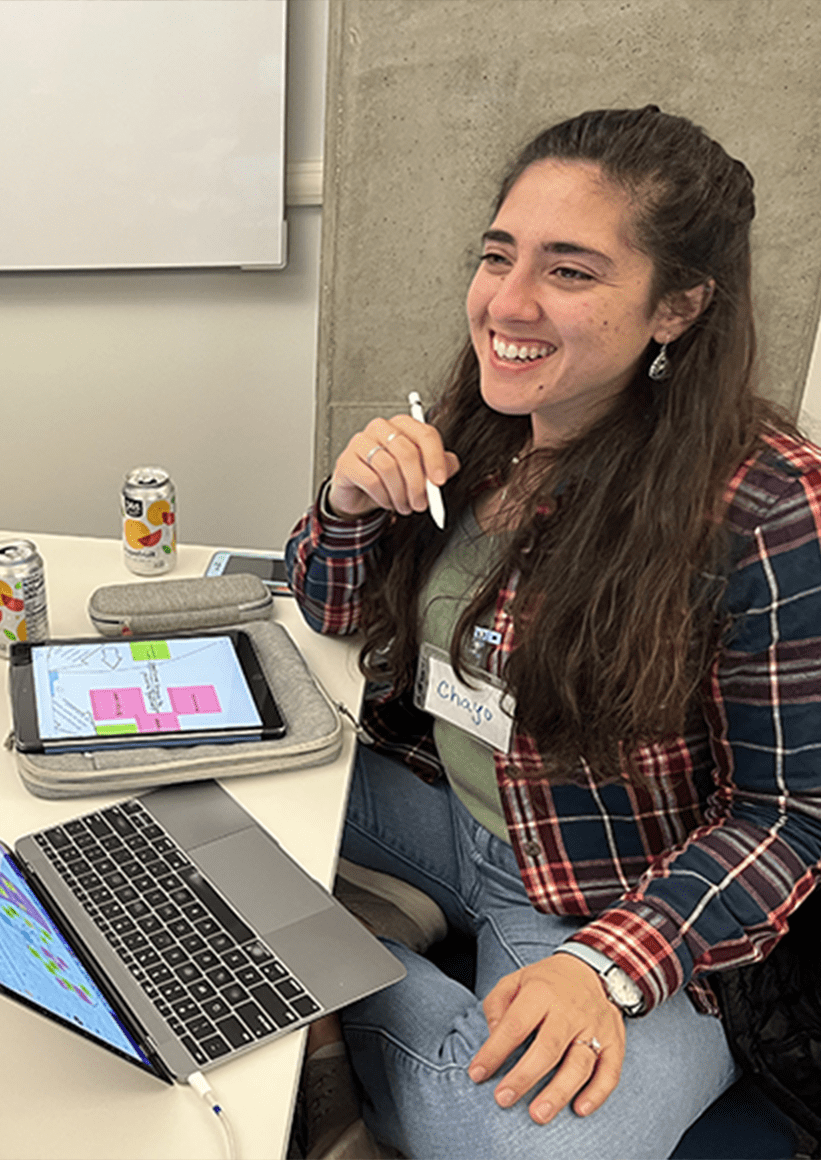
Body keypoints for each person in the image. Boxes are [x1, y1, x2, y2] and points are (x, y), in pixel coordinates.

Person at [286, 106, 821, 1159]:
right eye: (498, 255)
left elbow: (789, 818)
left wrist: (602, 965)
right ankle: (381, 935)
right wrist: (345, 504)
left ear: (674, 306)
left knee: (512, 1141)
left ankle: (324, 969)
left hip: (617, 891)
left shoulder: (767, 503)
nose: (506, 302)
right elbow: (334, 612)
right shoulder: (485, 421)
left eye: (569, 271)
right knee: (184, 788)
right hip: (450, 811)